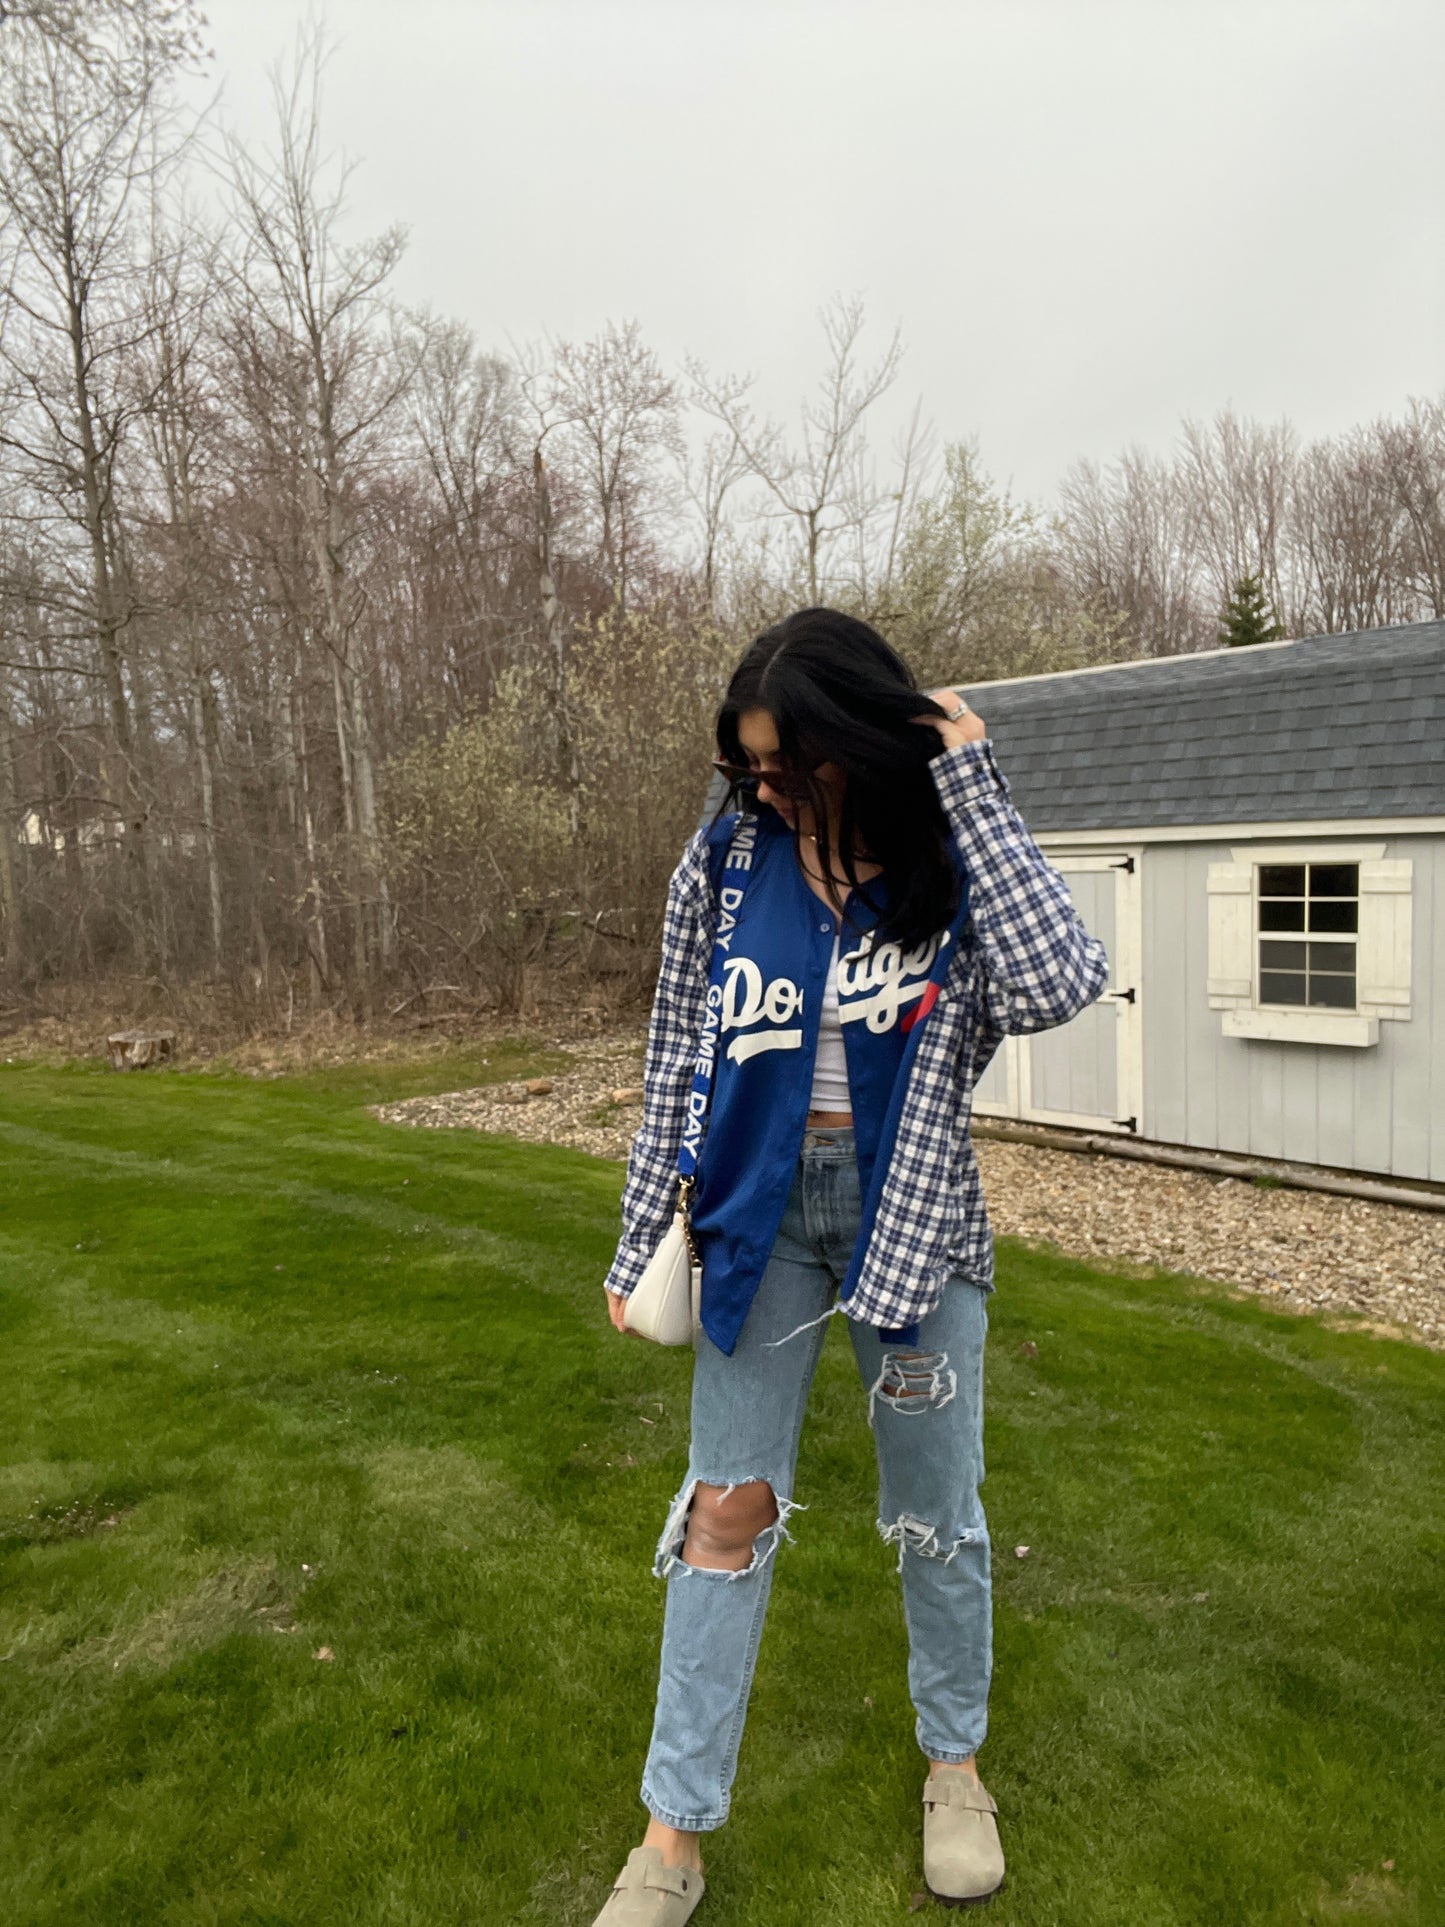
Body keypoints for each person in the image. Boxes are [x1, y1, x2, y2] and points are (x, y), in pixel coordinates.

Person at [594, 608, 1109, 1922]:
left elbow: (1061, 983)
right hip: (752, 1221)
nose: (768, 789)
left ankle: (954, 1769)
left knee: (938, 1514)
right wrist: (640, 1224)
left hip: (915, 1223)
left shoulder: (948, 855)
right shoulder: (723, 862)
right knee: (722, 1511)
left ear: (856, 748)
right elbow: (674, 1068)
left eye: (793, 765)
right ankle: (670, 1843)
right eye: (751, 766)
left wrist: (967, 772)